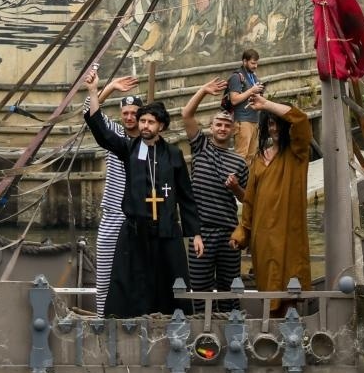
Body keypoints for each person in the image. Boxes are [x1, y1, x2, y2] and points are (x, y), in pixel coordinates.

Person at [84, 93, 203, 317]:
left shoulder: (174, 154)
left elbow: (186, 197)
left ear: (162, 126)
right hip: (135, 232)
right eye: (142, 121)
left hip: (167, 231)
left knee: (171, 285)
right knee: (130, 284)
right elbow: (102, 133)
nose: (145, 126)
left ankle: (172, 327)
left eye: (150, 122)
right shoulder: (129, 148)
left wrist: (195, 234)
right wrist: (93, 90)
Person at [229, 94, 311, 314]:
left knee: (289, 291)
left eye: (278, 124)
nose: (275, 129)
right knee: (268, 293)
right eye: (271, 124)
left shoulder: (297, 154)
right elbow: (250, 201)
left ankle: (291, 338)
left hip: (288, 235)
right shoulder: (259, 158)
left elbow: (301, 120)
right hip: (262, 237)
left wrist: (266, 105)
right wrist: (242, 232)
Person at [180, 77, 248, 307]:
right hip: (202, 233)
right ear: (211, 128)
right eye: (218, 124)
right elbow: (186, 115)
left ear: (233, 129)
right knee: (200, 291)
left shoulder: (239, 163)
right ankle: (204, 341)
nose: (222, 128)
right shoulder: (200, 147)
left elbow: (248, 199)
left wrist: (236, 187)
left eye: (227, 125)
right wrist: (203, 90)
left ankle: (232, 338)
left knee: (230, 291)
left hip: (229, 232)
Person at [83, 70, 140, 316]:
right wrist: (106, 88)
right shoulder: (114, 134)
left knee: (137, 273)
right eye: (125, 113)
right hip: (113, 214)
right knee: (104, 275)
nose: (129, 118)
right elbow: (90, 113)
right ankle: (100, 319)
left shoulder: (148, 141)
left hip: (137, 217)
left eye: (133, 114)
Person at [224, 49, 266, 164]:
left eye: (257, 63)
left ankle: (249, 182)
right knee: (241, 157)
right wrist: (252, 90)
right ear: (244, 61)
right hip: (242, 121)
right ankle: (239, 182)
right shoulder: (236, 77)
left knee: (252, 157)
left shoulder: (254, 77)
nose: (255, 66)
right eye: (253, 63)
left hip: (254, 120)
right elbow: (234, 100)